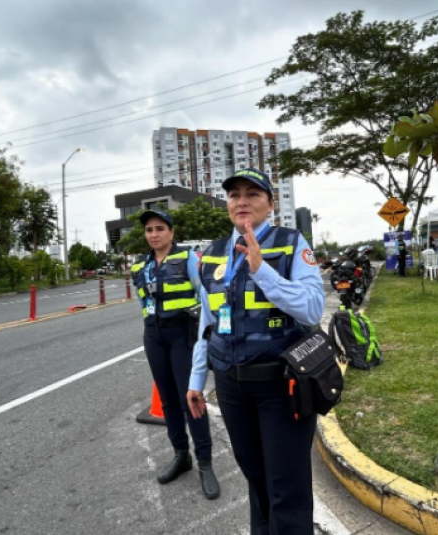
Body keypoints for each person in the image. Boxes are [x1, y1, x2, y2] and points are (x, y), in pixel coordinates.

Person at [186, 168, 325, 535]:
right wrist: (197, 379)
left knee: (286, 488)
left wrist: (262, 269)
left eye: (253, 194)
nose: (242, 201)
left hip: (281, 387)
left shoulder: (292, 243)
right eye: (234, 195)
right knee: (255, 478)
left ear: (270, 203)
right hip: (231, 388)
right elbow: (208, 321)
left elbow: (312, 308)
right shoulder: (212, 255)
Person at [130, 209, 220, 499]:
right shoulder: (140, 266)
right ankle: (181, 455)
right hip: (153, 335)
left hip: (183, 334)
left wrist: (207, 334)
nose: (154, 234)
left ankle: (205, 462)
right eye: (149, 230)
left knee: (190, 397)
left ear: (171, 231)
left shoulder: (189, 259)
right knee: (167, 399)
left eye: (159, 228)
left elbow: (204, 295)